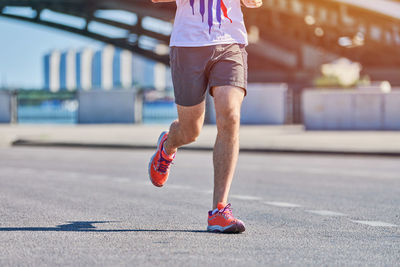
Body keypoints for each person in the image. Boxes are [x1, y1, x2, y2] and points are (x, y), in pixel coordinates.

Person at [149, 0, 263, 233]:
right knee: (190, 131)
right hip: (187, 45)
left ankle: (219, 211)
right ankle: (168, 146)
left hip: (230, 41)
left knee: (230, 115)